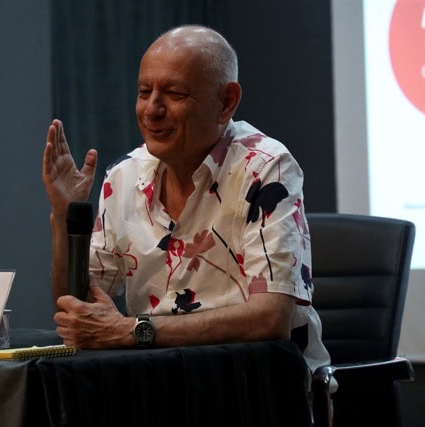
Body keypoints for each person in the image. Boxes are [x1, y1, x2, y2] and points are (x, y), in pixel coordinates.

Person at [42, 25, 329, 372]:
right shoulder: (123, 176)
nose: (151, 109)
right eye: (144, 91)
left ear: (226, 102)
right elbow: (79, 311)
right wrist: (63, 216)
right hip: (158, 380)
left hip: (254, 381)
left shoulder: (265, 167)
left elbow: (271, 318)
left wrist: (134, 331)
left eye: (175, 94)